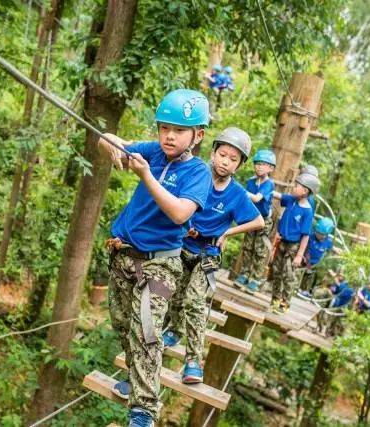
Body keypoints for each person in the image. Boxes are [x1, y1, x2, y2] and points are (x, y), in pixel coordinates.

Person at [99, 89, 212, 427]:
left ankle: (143, 410)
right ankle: (138, 381)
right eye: (164, 128)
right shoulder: (152, 151)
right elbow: (107, 138)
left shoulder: (198, 173)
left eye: (178, 130)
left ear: (198, 135)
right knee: (123, 324)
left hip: (160, 264)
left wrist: (145, 175)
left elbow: (179, 213)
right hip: (123, 256)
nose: (169, 136)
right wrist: (113, 150)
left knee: (147, 331)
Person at [164, 127, 264, 384]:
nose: (225, 162)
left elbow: (258, 221)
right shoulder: (196, 176)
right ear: (213, 152)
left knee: (194, 301)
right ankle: (173, 330)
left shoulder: (237, 193)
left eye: (233, 159)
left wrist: (229, 232)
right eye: (222, 155)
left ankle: (193, 361)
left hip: (208, 253)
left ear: (239, 165)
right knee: (174, 293)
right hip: (181, 244)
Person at [269, 173, 319, 313]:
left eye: (297, 186)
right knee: (277, 270)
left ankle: (285, 303)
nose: (293, 187)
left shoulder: (307, 211)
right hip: (282, 241)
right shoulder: (292, 200)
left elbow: (305, 235)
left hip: (294, 246)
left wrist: (299, 255)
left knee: (288, 274)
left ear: (305, 191)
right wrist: (267, 188)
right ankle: (275, 298)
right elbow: (278, 196)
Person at [235, 149, 276, 294]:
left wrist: (237, 189)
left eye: (263, 164)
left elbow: (257, 198)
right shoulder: (251, 182)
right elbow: (246, 201)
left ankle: (255, 279)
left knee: (259, 250)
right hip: (251, 217)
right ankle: (244, 274)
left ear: (270, 168)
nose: (259, 167)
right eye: (257, 164)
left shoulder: (269, 184)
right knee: (247, 247)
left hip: (264, 220)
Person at [299, 217, 335, 295]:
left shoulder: (328, 242)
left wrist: (336, 250)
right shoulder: (311, 236)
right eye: (317, 232)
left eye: (320, 234)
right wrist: (302, 255)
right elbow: (304, 244)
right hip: (306, 258)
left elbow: (331, 248)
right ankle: (300, 288)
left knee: (314, 275)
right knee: (305, 272)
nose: (317, 234)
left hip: (316, 262)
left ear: (326, 234)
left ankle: (308, 290)